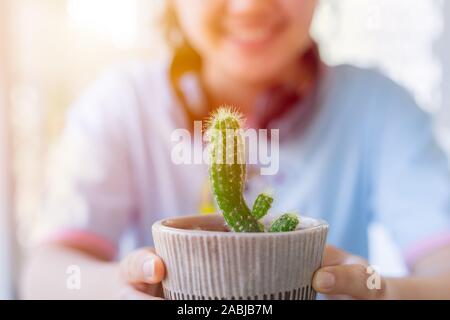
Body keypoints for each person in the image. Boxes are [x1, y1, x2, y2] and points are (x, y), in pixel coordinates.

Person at [22, 0, 450, 300]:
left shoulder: (379, 107)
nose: (248, 5)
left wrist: (385, 291)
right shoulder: (120, 104)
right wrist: (121, 287)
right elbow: (44, 275)